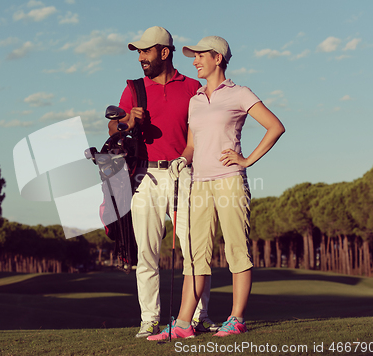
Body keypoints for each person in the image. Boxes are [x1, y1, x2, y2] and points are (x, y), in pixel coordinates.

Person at [148, 35, 285, 341]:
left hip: (229, 180)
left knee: (236, 248)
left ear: (218, 58)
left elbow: (275, 126)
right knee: (195, 255)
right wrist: (181, 160)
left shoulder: (239, 93)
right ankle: (183, 323)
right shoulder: (195, 100)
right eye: (193, 57)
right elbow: (192, 145)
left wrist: (246, 159)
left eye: (199, 56)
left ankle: (236, 319)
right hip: (199, 183)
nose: (194, 61)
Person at [108, 26, 217, 338]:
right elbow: (113, 131)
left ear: (164, 53)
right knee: (147, 253)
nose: (141, 57)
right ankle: (149, 319)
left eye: (146, 51)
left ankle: (197, 316)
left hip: (185, 173)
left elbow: (205, 133)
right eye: (139, 52)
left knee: (194, 250)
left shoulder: (192, 88)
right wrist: (127, 122)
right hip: (145, 176)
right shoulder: (134, 89)